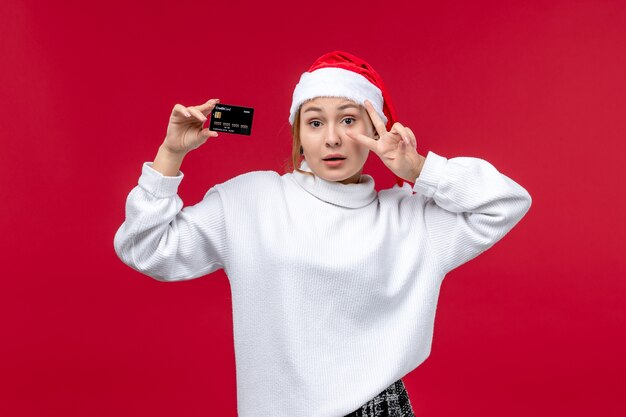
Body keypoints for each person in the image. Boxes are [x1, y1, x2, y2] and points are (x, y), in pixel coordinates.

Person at [114, 51, 532, 417]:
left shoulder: (411, 219)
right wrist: (170, 155)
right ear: (299, 134)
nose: (331, 138)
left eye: (348, 120)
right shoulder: (251, 200)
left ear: (376, 130)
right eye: (315, 122)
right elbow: (146, 249)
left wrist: (421, 170)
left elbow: (506, 202)